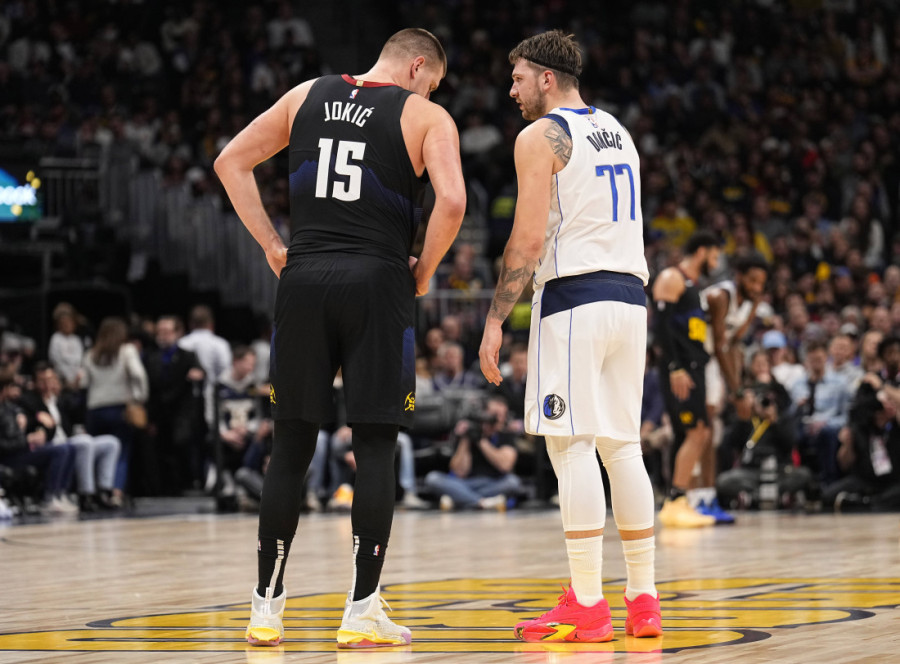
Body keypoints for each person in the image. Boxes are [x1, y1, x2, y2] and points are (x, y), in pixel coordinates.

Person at [215, 28, 465, 648]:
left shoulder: (305, 95)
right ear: (417, 67)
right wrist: (424, 273)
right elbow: (453, 202)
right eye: (432, 83)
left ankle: (265, 609)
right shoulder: (425, 117)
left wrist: (272, 246)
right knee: (374, 446)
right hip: (378, 281)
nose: (431, 93)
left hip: (303, 279)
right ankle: (360, 612)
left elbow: (230, 162)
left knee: (291, 445)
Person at [479, 30, 661, 643]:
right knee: (623, 448)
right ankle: (643, 599)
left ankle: (587, 601)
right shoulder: (619, 131)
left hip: (576, 298)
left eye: (518, 78)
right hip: (630, 298)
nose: (512, 90)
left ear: (546, 78)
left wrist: (496, 318)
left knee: (572, 447)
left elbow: (528, 239)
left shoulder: (540, 136)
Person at [652, 231, 720, 528]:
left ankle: (678, 501)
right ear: (702, 251)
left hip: (695, 367)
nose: (716, 263)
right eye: (714, 256)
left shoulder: (695, 285)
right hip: (682, 370)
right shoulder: (672, 277)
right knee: (698, 431)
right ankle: (676, 500)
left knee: (688, 434)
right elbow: (661, 327)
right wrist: (674, 367)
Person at [698, 252, 769, 523]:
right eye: (752, 281)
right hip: (695, 358)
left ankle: (706, 496)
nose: (757, 287)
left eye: (761, 283)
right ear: (738, 276)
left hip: (712, 363)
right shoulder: (720, 297)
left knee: (709, 428)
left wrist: (740, 387)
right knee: (702, 427)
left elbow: (735, 343)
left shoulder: (752, 301)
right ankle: (696, 496)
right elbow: (719, 346)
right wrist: (736, 391)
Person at [22, 363, 121, 511]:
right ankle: (86, 494)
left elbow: (79, 414)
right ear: (35, 383)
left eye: (50, 379)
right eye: (43, 381)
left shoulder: (61, 399)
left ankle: (104, 491)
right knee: (85, 443)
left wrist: (73, 390)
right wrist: (39, 419)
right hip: (52, 443)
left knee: (111, 443)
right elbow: (31, 422)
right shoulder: (30, 401)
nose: (47, 385)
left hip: (68, 439)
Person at [80, 317, 149, 503]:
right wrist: (139, 397)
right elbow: (138, 374)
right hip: (119, 408)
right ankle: (115, 492)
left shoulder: (90, 354)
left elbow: (84, 383)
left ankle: (95, 491)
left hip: (95, 409)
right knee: (121, 452)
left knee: (95, 452)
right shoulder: (127, 351)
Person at [423, 395, 521, 510]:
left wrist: (481, 441)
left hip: (493, 483)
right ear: (484, 412)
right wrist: (466, 438)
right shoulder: (468, 431)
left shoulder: (506, 435)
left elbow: (505, 466)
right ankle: (482, 503)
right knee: (433, 479)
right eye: (495, 414)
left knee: (513, 482)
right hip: (465, 482)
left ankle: (460, 499)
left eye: (502, 415)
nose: (498, 419)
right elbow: (459, 472)